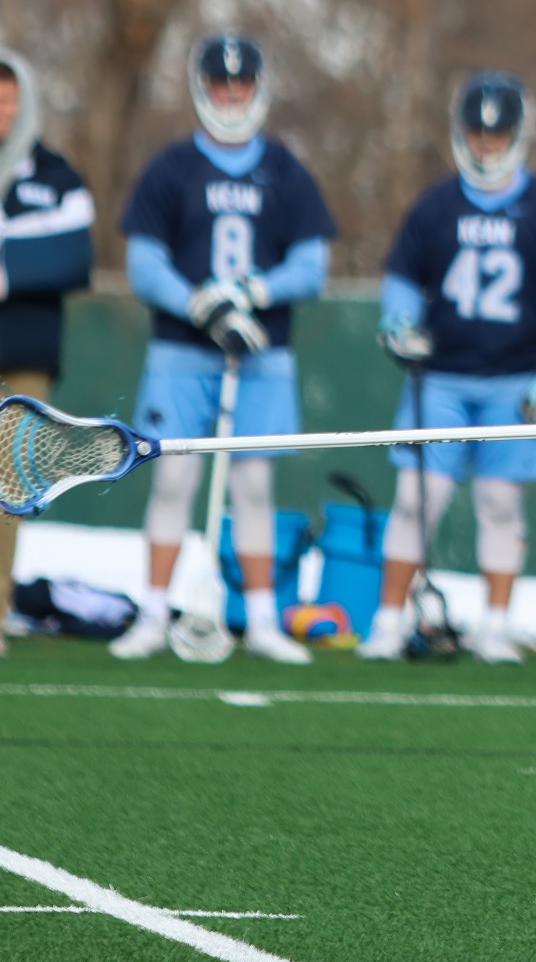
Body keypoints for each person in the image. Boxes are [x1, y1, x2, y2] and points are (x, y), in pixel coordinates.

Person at [109, 34, 335, 665]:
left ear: (257, 87)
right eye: (219, 84)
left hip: (262, 353)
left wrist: (253, 292)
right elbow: (144, 262)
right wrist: (199, 303)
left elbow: (313, 265)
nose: (230, 96)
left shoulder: (286, 170)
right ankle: (154, 613)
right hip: (183, 351)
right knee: (174, 476)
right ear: (201, 88)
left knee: (254, 484)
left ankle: (262, 619)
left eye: (239, 84)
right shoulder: (172, 168)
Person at [357, 71, 536, 664]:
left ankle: (495, 625)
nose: (488, 146)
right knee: (418, 499)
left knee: (500, 505)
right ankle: (388, 620)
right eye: (479, 135)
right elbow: (403, 279)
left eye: (498, 135)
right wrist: (399, 322)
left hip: (513, 381)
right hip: (440, 378)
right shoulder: (437, 204)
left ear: (518, 135)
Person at [0, 48, 94, 656]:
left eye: (9, 97)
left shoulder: (56, 176)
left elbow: (74, 254)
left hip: (24, 355)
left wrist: (7, 270)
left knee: (5, 487)